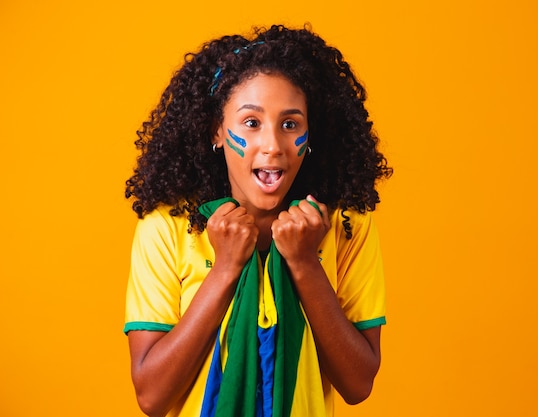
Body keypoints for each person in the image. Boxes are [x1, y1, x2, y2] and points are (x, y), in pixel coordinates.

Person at [123, 23, 393, 417]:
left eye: (290, 124)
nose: (273, 145)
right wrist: (224, 268)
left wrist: (304, 263)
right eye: (251, 123)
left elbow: (358, 383)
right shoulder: (166, 227)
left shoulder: (346, 223)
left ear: (310, 133)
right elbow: (151, 396)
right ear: (217, 130)